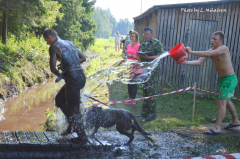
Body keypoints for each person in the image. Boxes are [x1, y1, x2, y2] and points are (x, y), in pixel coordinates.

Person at [181, 31, 240, 135]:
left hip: (229, 79)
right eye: (212, 38)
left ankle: (217, 128)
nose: (212, 40)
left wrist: (191, 51)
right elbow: (199, 61)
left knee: (222, 102)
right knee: (227, 101)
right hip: (223, 79)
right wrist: (185, 62)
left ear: (220, 41)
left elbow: (208, 54)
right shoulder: (211, 50)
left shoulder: (223, 48)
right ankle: (235, 121)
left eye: (215, 39)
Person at [43, 28, 88, 144]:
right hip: (81, 77)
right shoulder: (69, 43)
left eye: (46, 40)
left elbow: (53, 68)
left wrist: (61, 73)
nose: (47, 43)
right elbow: (83, 58)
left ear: (50, 37)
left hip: (73, 79)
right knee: (59, 100)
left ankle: (82, 137)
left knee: (74, 110)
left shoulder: (54, 47)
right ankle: (72, 125)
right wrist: (68, 65)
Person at [135, 27, 163, 121]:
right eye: (144, 34)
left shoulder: (157, 43)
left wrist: (149, 57)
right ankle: (144, 112)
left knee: (151, 91)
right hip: (144, 70)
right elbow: (138, 55)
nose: (146, 36)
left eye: (147, 34)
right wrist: (140, 55)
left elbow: (160, 56)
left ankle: (152, 113)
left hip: (152, 71)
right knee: (144, 91)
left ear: (152, 34)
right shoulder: (142, 44)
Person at [124, 31, 140, 105]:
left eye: (134, 36)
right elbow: (127, 55)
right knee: (129, 83)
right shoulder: (128, 46)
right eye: (132, 36)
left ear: (136, 38)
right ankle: (130, 97)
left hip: (136, 66)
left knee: (133, 83)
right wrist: (125, 58)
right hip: (130, 66)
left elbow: (139, 57)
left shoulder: (138, 46)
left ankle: (133, 100)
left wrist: (131, 55)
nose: (133, 38)